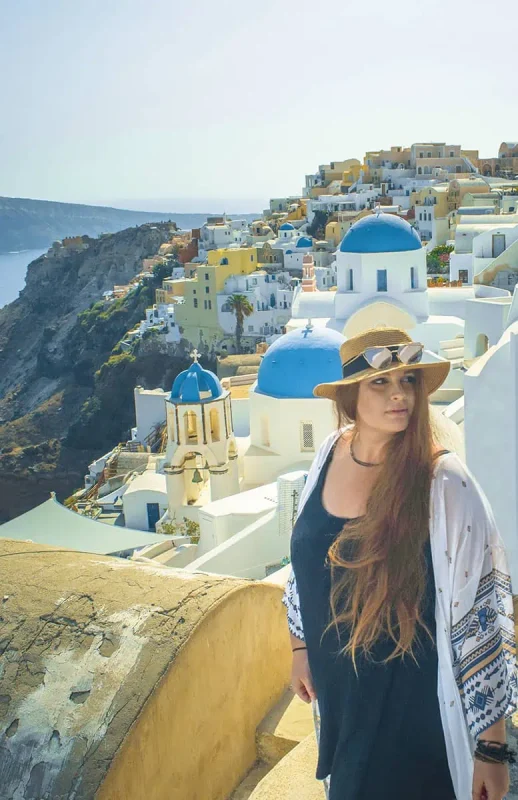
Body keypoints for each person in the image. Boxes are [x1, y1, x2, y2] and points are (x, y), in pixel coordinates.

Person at [281, 327, 517, 800]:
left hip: (410, 708)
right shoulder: (330, 453)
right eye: (380, 382)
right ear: (349, 397)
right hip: (342, 701)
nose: (399, 395)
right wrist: (300, 647)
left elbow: (482, 615)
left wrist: (492, 749)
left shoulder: (444, 482)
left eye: (408, 380)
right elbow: (304, 563)